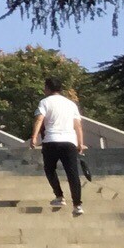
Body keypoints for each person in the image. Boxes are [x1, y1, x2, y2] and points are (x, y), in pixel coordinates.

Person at [30, 75, 88, 216]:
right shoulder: (71, 104)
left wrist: (34, 137)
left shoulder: (44, 102)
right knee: (72, 173)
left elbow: (39, 120)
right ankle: (77, 204)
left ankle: (59, 196)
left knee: (50, 169)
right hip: (69, 141)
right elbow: (78, 126)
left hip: (51, 140)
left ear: (48, 88)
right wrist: (80, 143)